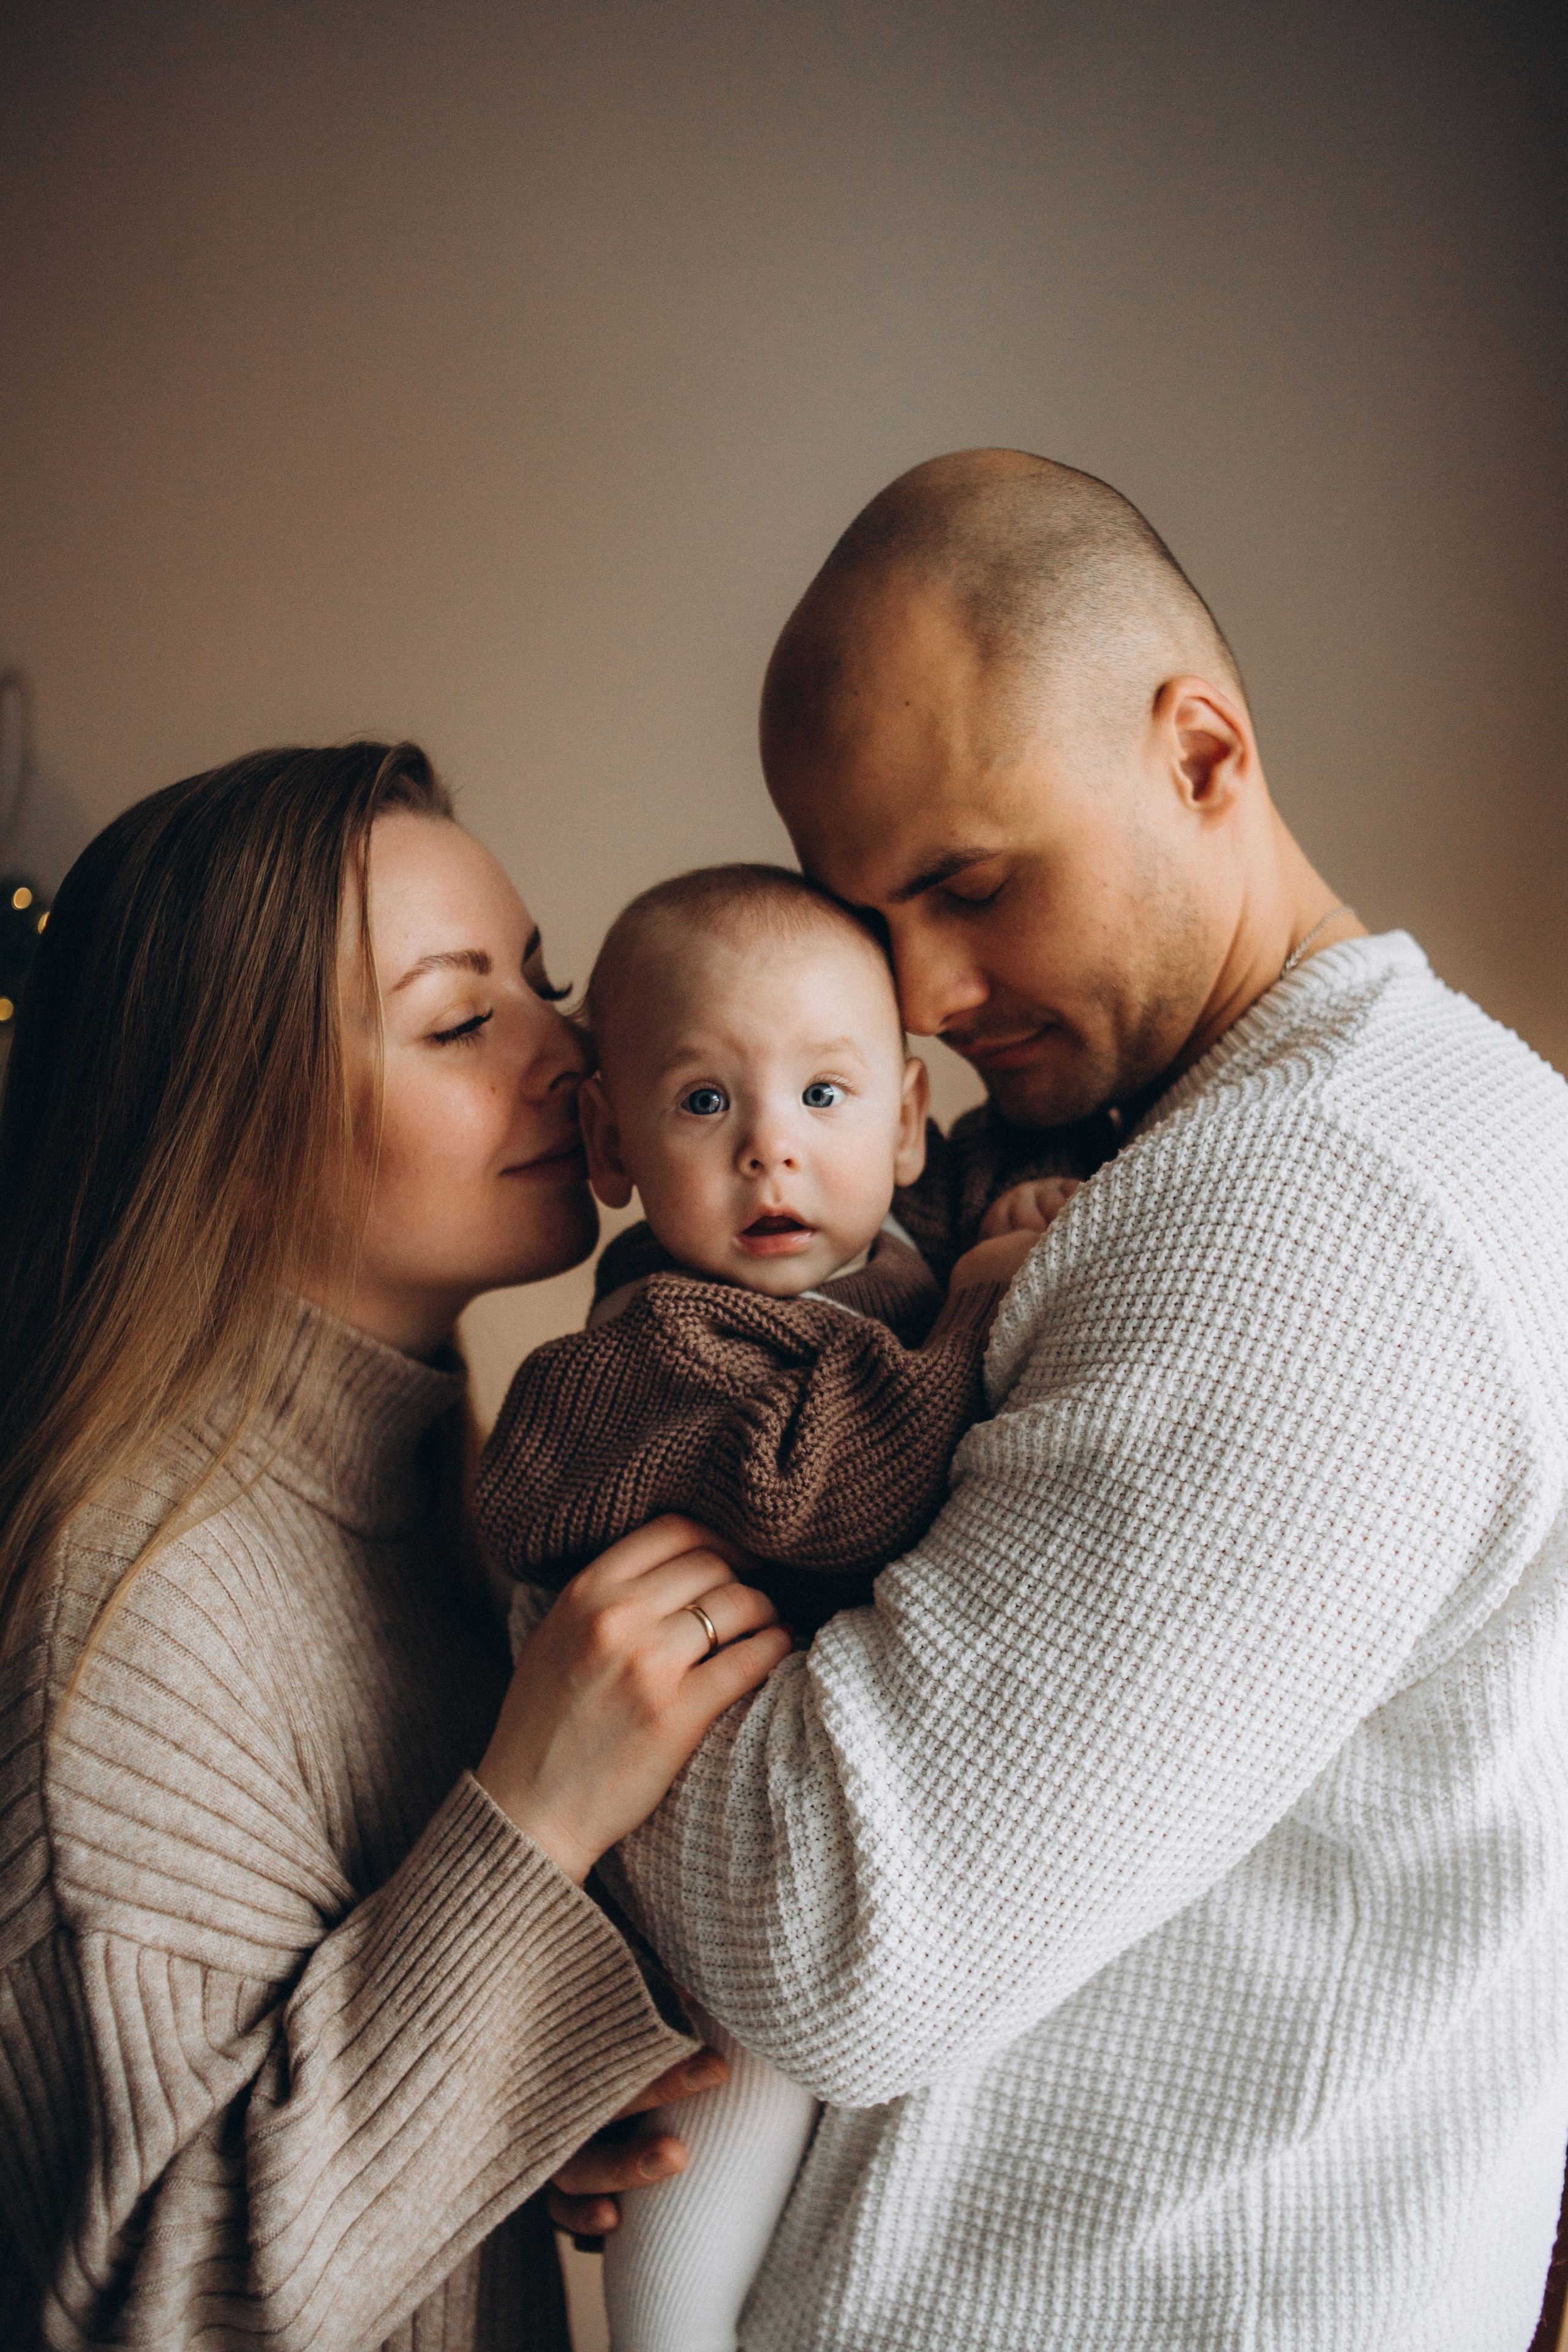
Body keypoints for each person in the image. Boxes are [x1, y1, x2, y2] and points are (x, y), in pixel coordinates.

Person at [567, 452, 1568, 2351]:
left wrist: (563, 1689)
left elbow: (825, 1933)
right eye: (867, 913)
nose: (923, 993)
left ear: (1201, 755)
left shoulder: (1322, 1208)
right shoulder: (1352, 1133)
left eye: (969, 883)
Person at [0, 742, 791, 2351]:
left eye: (543, 983)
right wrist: (537, 1811)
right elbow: (152, 2320)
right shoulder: (134, 1613)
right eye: (458, 1019)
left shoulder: (454, 1505)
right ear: (223, 1128)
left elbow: (283, 2126)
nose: (574, 1053)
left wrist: (490, 2116)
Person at [473, 859, 1071, 2351]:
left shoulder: (881, 1238)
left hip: (834, 1821)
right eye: (699, 1106)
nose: (770, 1158)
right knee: (685, 2240)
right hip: (683, 1910)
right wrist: (988, 1297)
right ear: (608, 1141)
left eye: (824, 1096)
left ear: (905, 1114)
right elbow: (831, 1489)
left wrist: (1008, 1205)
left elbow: (929, 1218)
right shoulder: (653, 1345)